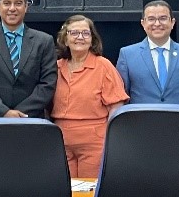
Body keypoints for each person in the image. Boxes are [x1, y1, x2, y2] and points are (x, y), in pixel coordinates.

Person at [50, 15, 128, 178]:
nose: (80, 37)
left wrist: (110, 139)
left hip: (94, 142)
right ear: (65, 38)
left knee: (89, 192)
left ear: (92, 40)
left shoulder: (103, 66)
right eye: (74, 33)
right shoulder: (55, 67)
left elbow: (116, 107)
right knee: (65, 192)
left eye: (85, 33)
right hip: (60, 140)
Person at [115, 1, 179, 111]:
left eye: (163, 18)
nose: (157, 24)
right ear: (143, 23)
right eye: (151, 19)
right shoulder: (127, 55)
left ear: (172, 22)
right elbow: (121, 97)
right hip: (141, 125)